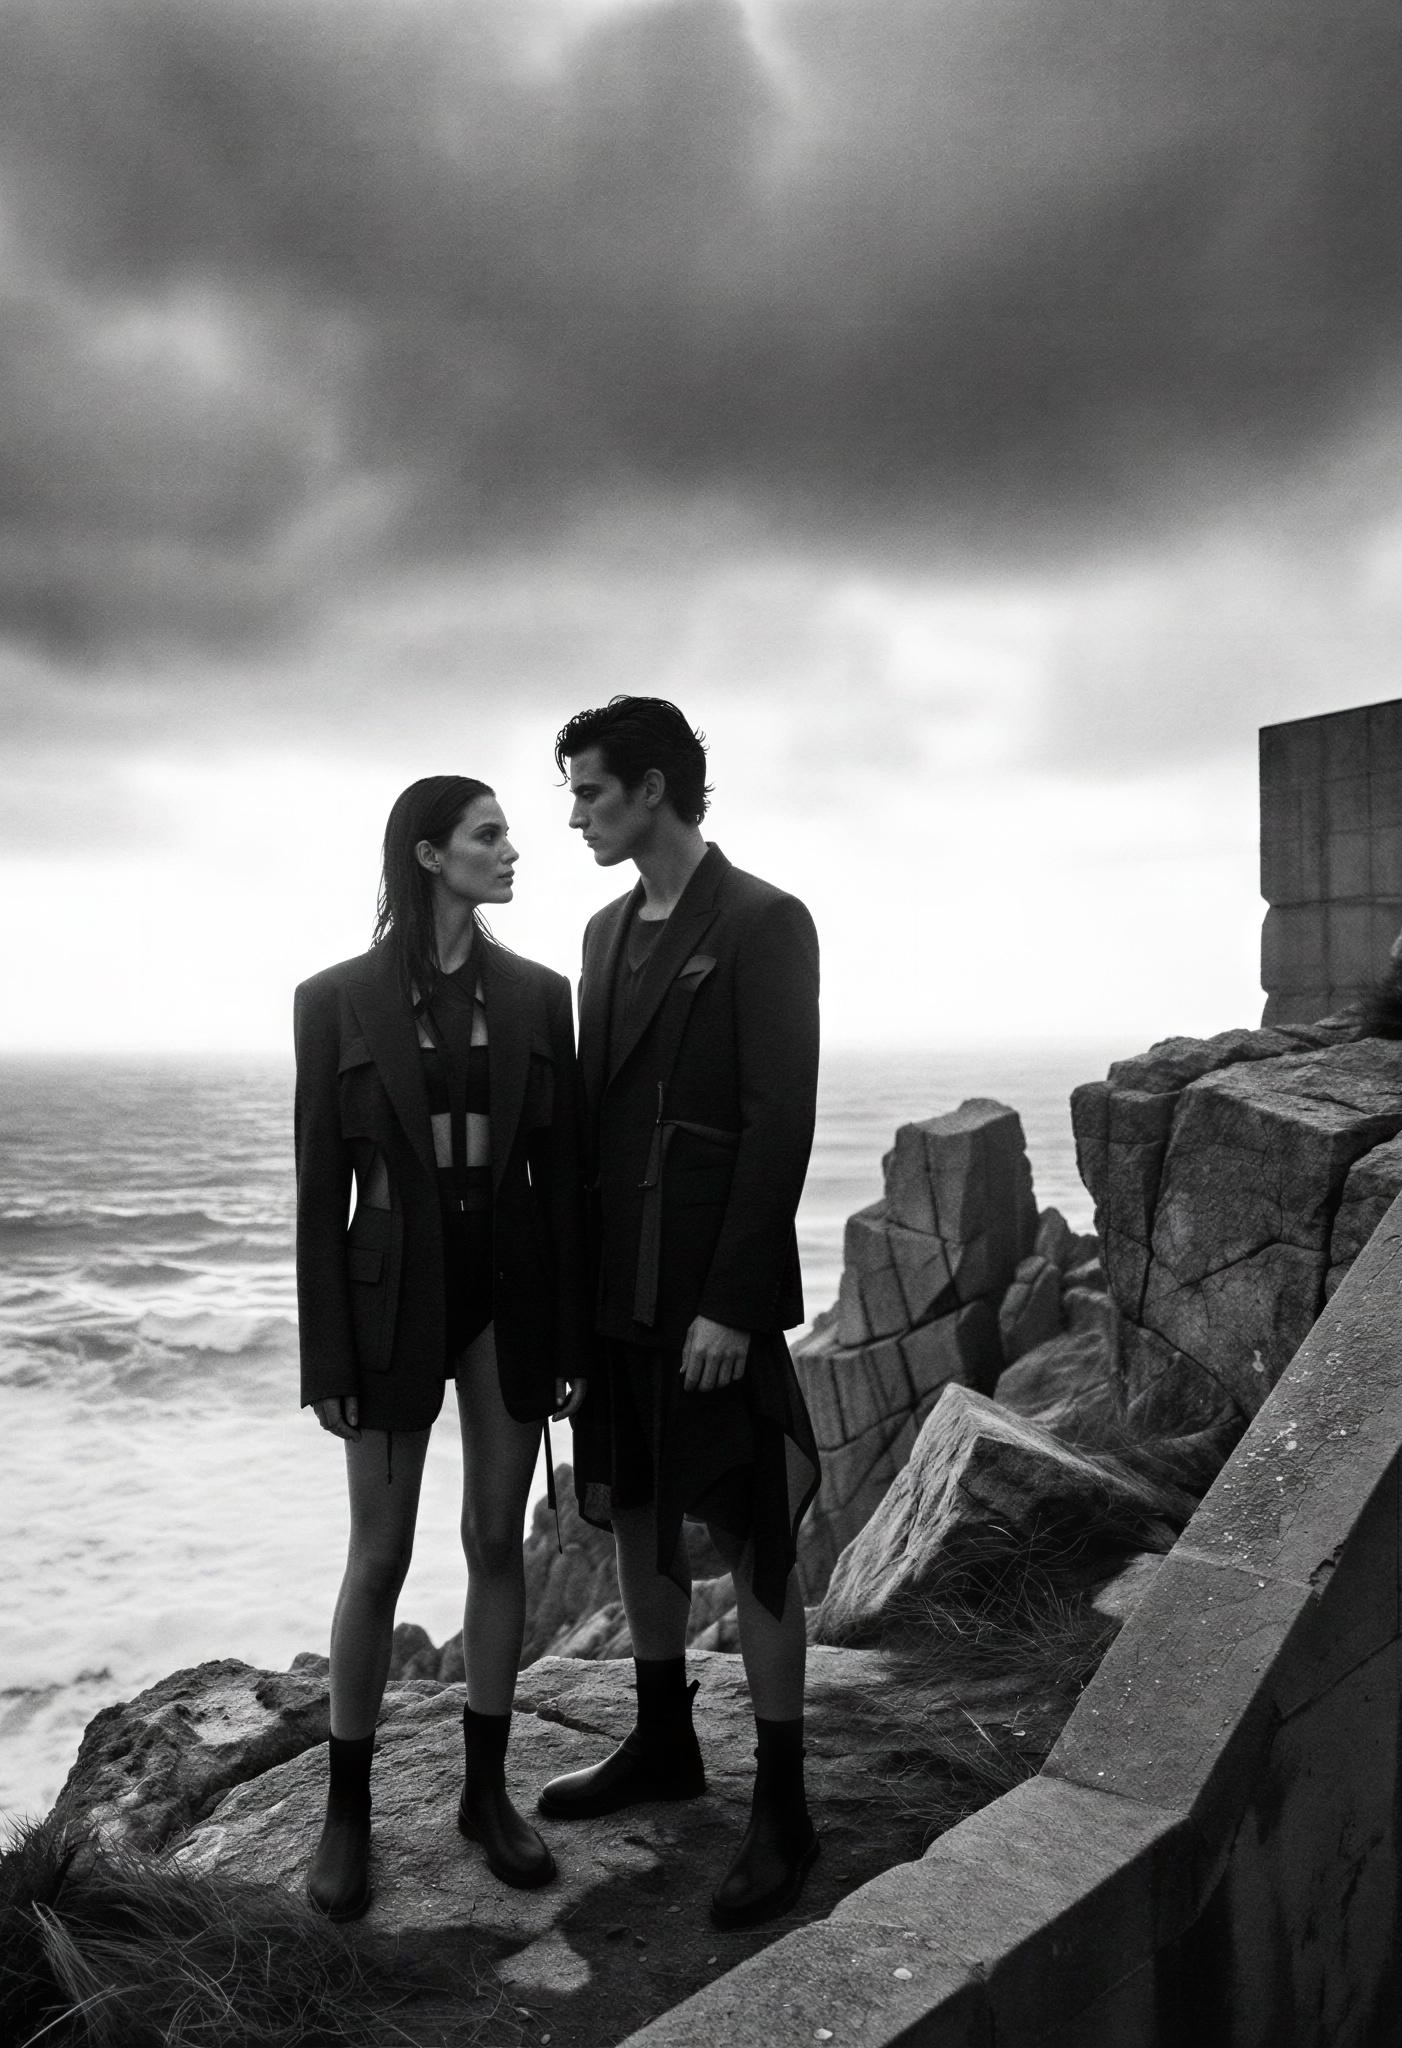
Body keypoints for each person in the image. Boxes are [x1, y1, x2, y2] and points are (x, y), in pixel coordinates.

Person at [540, 697, 822, 1931]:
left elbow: (780, 1120)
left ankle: (785, 1802)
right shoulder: (602, 933)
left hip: (710, 1293)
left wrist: (729, 1303)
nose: (574, 815)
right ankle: (662, 1740)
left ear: (652, 789)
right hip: (616, 1290)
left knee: (755, 1529)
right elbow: (592, 1124)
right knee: (636, 1508)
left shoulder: (764, 920)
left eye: (590, 792)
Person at [293, 774, 589, 1922]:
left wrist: (564, 1327)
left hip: (505, 1294)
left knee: (493, 1540)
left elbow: (557, 1182)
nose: (512, 849)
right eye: (487, 833)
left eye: (507, 832)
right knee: (377, 1554)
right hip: (388, 1303)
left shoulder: (536, 994)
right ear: (426, 854)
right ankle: (345, 1813)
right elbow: (321, 1194)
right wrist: (326, 1361)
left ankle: (484, 1792)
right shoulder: (332, 1000)